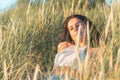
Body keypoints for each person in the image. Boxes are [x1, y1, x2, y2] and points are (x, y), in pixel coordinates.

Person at [50, 14, 100, 80]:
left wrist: (70, 71)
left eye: (78, 25)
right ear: (70, 35)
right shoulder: (64, 49)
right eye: (71, 28)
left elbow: (96, 74)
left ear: (88, 26)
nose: (75, 29)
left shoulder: (99, 50)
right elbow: (54, 71)